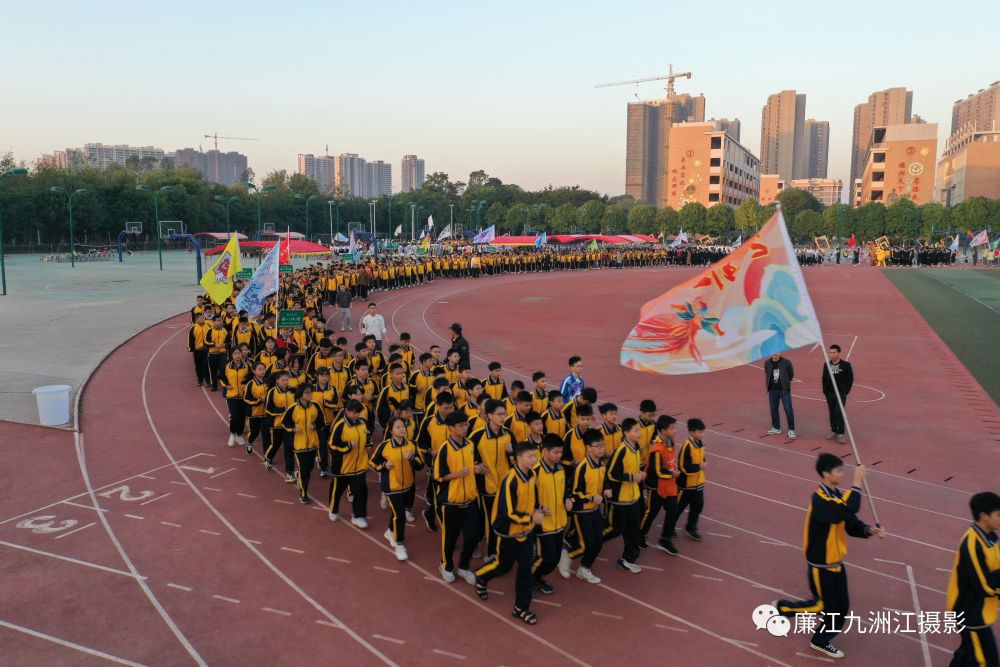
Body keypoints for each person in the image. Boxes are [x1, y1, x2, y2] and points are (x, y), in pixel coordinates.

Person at [774, 453, 885, 660]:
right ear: (826, 474)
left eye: (843, 470)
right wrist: (857, 482)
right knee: (822, 606)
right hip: (821, 565)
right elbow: (848, 508)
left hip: (837, 563)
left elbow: (851, 522)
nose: (842, 474)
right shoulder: (820, 500)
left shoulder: (836, 497)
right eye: (839, 471)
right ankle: (782, 607)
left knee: (841, 607)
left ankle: (820, 640)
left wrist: (870, 530)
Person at [475, 440, 544, 626]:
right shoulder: (510, 480)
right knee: (503, 566)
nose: (533, 460)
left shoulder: (532, 475)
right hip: (508, 532)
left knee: (525, 571)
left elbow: (534, 499)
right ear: (519, 457)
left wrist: (539, 510)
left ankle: (521, 608)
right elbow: (509, 513)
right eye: (530, 456)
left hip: (526, 531)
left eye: (535, 456)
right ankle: (481, 577)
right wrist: (532, 519)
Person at [947, 491, 1000, 667]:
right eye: (998, 515)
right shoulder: (971, 544)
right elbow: (984, 586)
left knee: (968, 653)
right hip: (970, 613)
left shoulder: (990, 537)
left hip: (979, 611)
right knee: (985, 661)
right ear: (984, 516)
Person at [434, 411, 485, 584]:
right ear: (451, 428)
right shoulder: (445, 449)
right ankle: (446, 565)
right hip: (451, 502)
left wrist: (477, 468)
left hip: (470, 499)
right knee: (450, 537)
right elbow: (439, 476)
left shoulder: (470, 444)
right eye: (461, 425)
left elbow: (474, 464)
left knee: (473, 536)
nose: (465, 428)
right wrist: (458, 474)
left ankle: (463, 566)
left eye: (466, 424)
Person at [370, 416, 425, 561]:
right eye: (398, 427)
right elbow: (372, 462)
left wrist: (412, 458)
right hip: (391, 486)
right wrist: (383, 466)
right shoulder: (384, 446)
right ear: (391, 430)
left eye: (403, 426)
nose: (402, 429)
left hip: (408, 485)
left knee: (397, 512)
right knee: (400, 514)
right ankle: (399, 544)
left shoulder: (412, 445)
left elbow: (420, 465)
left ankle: (389, 530)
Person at [559, 429, 609, 584]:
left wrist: (606, 489)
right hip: (582, 512)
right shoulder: (582, 467)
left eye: (602, 446)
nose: (601, 449)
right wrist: (591, 497)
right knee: (586, 544)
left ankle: (584, 568)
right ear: (588, 448)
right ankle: (563, 558)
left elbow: (603, 481)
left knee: (598, 543)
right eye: (597, 446)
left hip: (595, 510)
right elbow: (575, 492)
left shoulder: (601, 464)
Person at [469, 399, 514, 562]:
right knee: (485, 519)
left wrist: (511, 452)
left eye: (504, 414)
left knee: (500, 519)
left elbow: (515, 461)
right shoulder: (477, 435)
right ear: (489, 415)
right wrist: (476, 466)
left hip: (504, 486)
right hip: (486, 486)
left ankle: (494, 549)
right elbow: (467, 457)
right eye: (499, 414)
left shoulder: (508, 434)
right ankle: (489, 552)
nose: (503, 417)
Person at [604, 418, 645, 574]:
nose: (639, 433)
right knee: (614, 529)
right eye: (635, 430)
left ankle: (627, 560)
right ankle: (585, 546)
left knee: (634, 531)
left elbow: (633, 469)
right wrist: (631, 477)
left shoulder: (636, 448)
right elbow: (611, 473)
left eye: (639, 430)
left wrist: (639, 474)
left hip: (633, 498)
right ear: (626, 433)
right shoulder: (621, 450)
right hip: (621, 500)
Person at [532, 434, 569, 595]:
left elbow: (565, 490)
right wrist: (538, 508)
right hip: (542, 524)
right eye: (555, 452)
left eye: (560, 452)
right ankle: (527, 579)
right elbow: (525, 497)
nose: (559, 455)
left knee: (553, 559)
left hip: (559, 522)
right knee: (546, 557)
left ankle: (536, 578)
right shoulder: (535, 472)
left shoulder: (561, 469)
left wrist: (567, 499)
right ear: (544, 451)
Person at [640, 415, 680, 555]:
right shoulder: (656, 448)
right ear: (663, 430)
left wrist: (674, 472)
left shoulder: (671, 442)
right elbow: (656, 471)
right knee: (650, 513)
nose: (675, 431)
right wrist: (672, 474)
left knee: (673, 511)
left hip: (670, 486)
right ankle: (639, 535)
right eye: (672, 428)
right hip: (656, 487)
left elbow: (671, 461)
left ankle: (665, 539)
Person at [327, 399, 371, 527]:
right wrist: (348, 446)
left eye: (358, 412)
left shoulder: (362, 423)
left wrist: (369, 444)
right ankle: (333, 509)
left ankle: (359, 516)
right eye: (353, 412)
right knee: (337, 490)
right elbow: (332, 445)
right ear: (347, 411)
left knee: (361, 491)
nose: (356, 415)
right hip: (343, 467)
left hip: (360, 465)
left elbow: (368, 436)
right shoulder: (340, 425)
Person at [281, 384, 324, 504]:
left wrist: (315, 426)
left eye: (311, 392)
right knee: (304, 470)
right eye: (307, 392)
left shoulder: (315, 406)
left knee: (309, 468)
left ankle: (299, 474)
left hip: (312, 444)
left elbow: (322, 421)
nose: (310, 394)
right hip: (299, 445)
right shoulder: (293, 408)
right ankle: (303, 493)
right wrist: (293, 429)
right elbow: (284, 423)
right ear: (300, 395)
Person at [668, 418, 707, 541]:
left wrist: (703, 464)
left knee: (698, 505)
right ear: (691, 432)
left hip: (698, 483)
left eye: (702, 432)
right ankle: (669, 527)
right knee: (678, 508)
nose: (701, 434)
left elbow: (702, 459)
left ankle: (691, 527)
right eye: (699, 432)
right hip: (686, 485)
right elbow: (683, 465)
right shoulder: (687, 446)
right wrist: (698, 467)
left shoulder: (701, 444)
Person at [264, 370, 297, 481]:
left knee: (289, 448)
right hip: (277, 425)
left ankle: (289, 472)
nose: (285, 382)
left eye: (287, 380)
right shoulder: (272, 392)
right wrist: (284, 410)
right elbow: (268, 409)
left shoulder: (293, 390)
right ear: (277, 380)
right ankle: (268, 457)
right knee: (275, 445)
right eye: (283, 380)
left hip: (289, 426)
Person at [821, 344, 854, 445]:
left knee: (839, 413)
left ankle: (841, 433)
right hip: (830, 393)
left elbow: (850, 379)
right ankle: (834, 430)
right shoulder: (826, 364)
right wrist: (825, 390)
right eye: (830, 352)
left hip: (840, 393)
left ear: (839, 353)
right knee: (832, 412)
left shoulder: (846, 365)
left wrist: (845, 391)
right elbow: (824, 378)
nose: (832, 354)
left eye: (834, 352)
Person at [220, 347, 249, 448]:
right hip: (231, 396)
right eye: (235, 353)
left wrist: (246, 385)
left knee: (242, 417)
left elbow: (249, 379)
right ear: (232, 355)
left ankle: (239, 435)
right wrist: (225, 385)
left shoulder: (246, 366)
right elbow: (221, 378)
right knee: (234, 416)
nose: (237, 355)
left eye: (239, 353)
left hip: (243, 396)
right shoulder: (227, 366)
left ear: (242, 355)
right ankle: (232, 434)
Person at [764, 352, 797, 440]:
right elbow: (767, 373)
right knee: (773, 409)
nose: (775, 353)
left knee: (788, 410)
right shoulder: (767, 363)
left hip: (784, 391)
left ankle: (791, 429)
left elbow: (791, 375)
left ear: (780, 352)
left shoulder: (786, 362)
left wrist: (785, 384)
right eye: (773, 351)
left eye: (777, 351)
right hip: (772, 391)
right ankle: (776, 427)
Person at [187, 312, 210, 387]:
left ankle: (207, 380)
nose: (203, 319)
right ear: (197, 320)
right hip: (197, 350)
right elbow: (190, 340)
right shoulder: (193, 328)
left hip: (206, 350)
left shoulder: (208, 327)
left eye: (203, 318)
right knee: (198, 366)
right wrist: (191, 349)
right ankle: (200, 379)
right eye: (201, 318)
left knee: (205, 365)